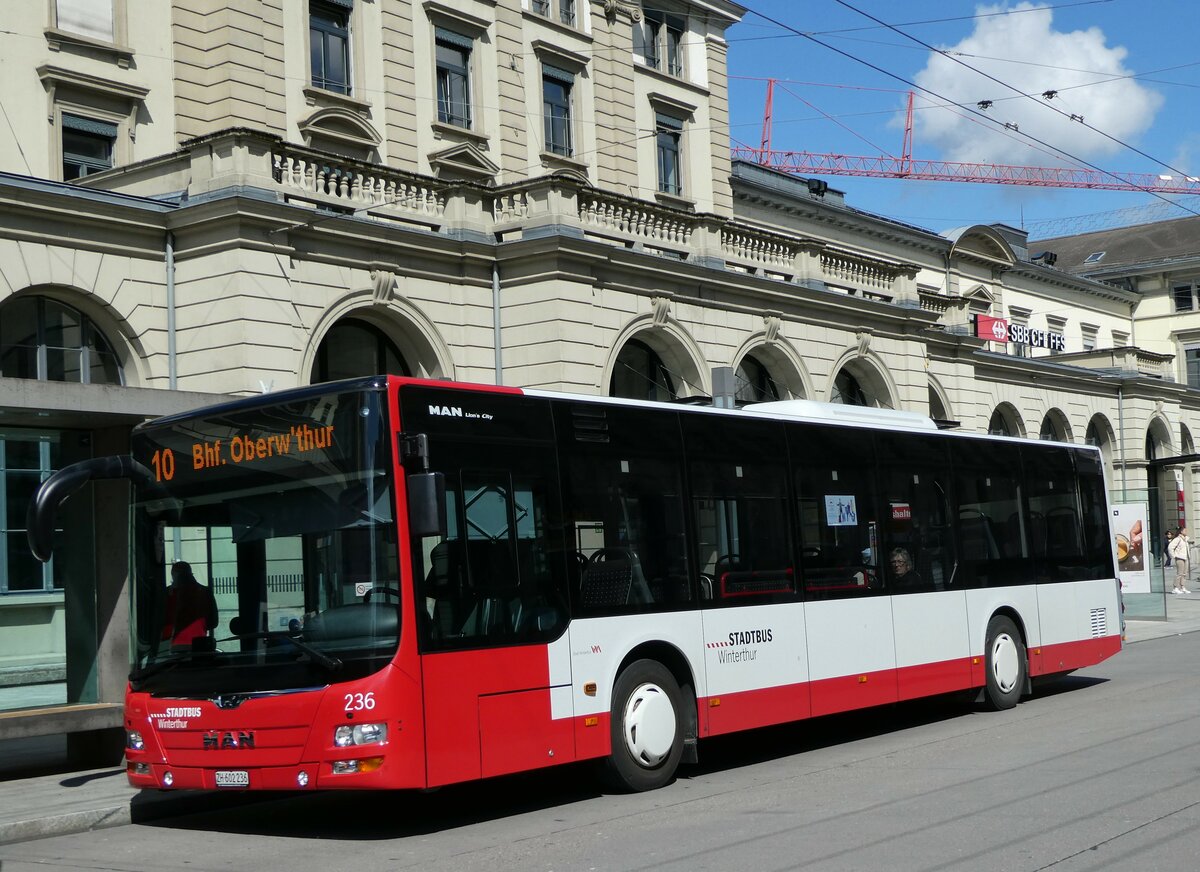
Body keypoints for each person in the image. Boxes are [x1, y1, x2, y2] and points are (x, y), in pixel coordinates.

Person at [161, 561, 219, 648]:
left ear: (173, 575)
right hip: (198, 644)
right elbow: (213, 622)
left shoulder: (166, 594)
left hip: (170, 645)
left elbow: (159, 621)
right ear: (190, 573)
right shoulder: (204, 592)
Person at [1169, 526, 1191, 594]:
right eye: (1185, 530)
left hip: (1186, 557)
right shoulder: (1177, 539)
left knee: (1184, 574)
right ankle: (1175, 587)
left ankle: (1182, 587)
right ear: (1181, 531)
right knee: (1179, 573)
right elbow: (1170, 547)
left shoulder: (1185, 539)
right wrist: (1174, 556)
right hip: (1179, 558)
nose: (1186, 532)